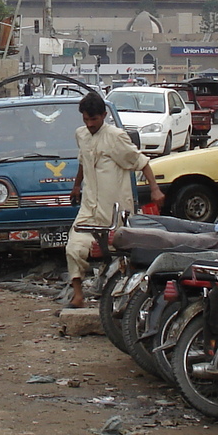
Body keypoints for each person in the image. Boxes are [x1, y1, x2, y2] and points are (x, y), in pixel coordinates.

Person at [66, 91, 163, 309]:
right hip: (89, 207)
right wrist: (76, 185)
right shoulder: (81, 135)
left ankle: (121, 298)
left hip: (115, 209)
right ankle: (78, 295)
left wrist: (155, 189)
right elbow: (83, 160)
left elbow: (141, 162)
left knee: (118, 254)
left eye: (94, 119)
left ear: (103, 115)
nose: (90, 124)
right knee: (74, 248)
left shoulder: (116, 136)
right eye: (86, 120)